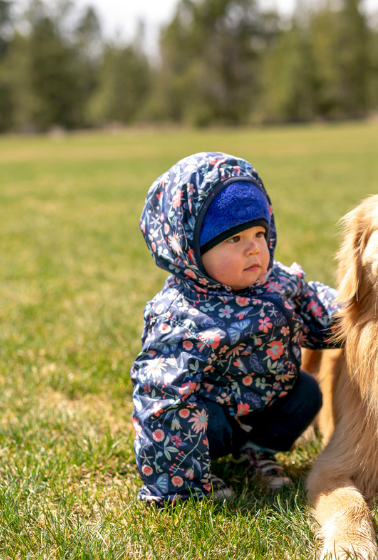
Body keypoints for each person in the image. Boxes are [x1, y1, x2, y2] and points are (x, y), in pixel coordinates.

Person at [130, 152, 340, 503]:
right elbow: (160, 396)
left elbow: (316, 302)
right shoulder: (181, 316)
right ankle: (195, 474)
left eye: (259, 233)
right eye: (234, 239)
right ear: (192, 251)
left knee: (306, 392)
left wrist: (359, 316)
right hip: (213, 420)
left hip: (266, 404)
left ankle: (256, 452)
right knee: (190, 417)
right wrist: (176, 485)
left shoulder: (276, 282)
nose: (254, 248)